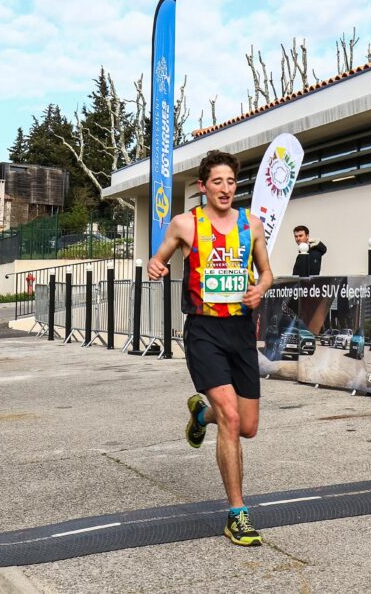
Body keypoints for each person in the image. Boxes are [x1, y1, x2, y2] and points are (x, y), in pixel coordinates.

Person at [148, 150, 274, 547]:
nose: (225, 189)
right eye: (216, 182)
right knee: (232, 418)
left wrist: (261, 289)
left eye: (231, 182)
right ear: (203, 187)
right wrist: (157, 266)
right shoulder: (185, 224)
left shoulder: (251, 225)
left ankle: (201, 416)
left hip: (240, 332)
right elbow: (158, 259)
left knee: (248, 427)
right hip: (203, 331)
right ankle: (238, 514)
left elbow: (267, 271)